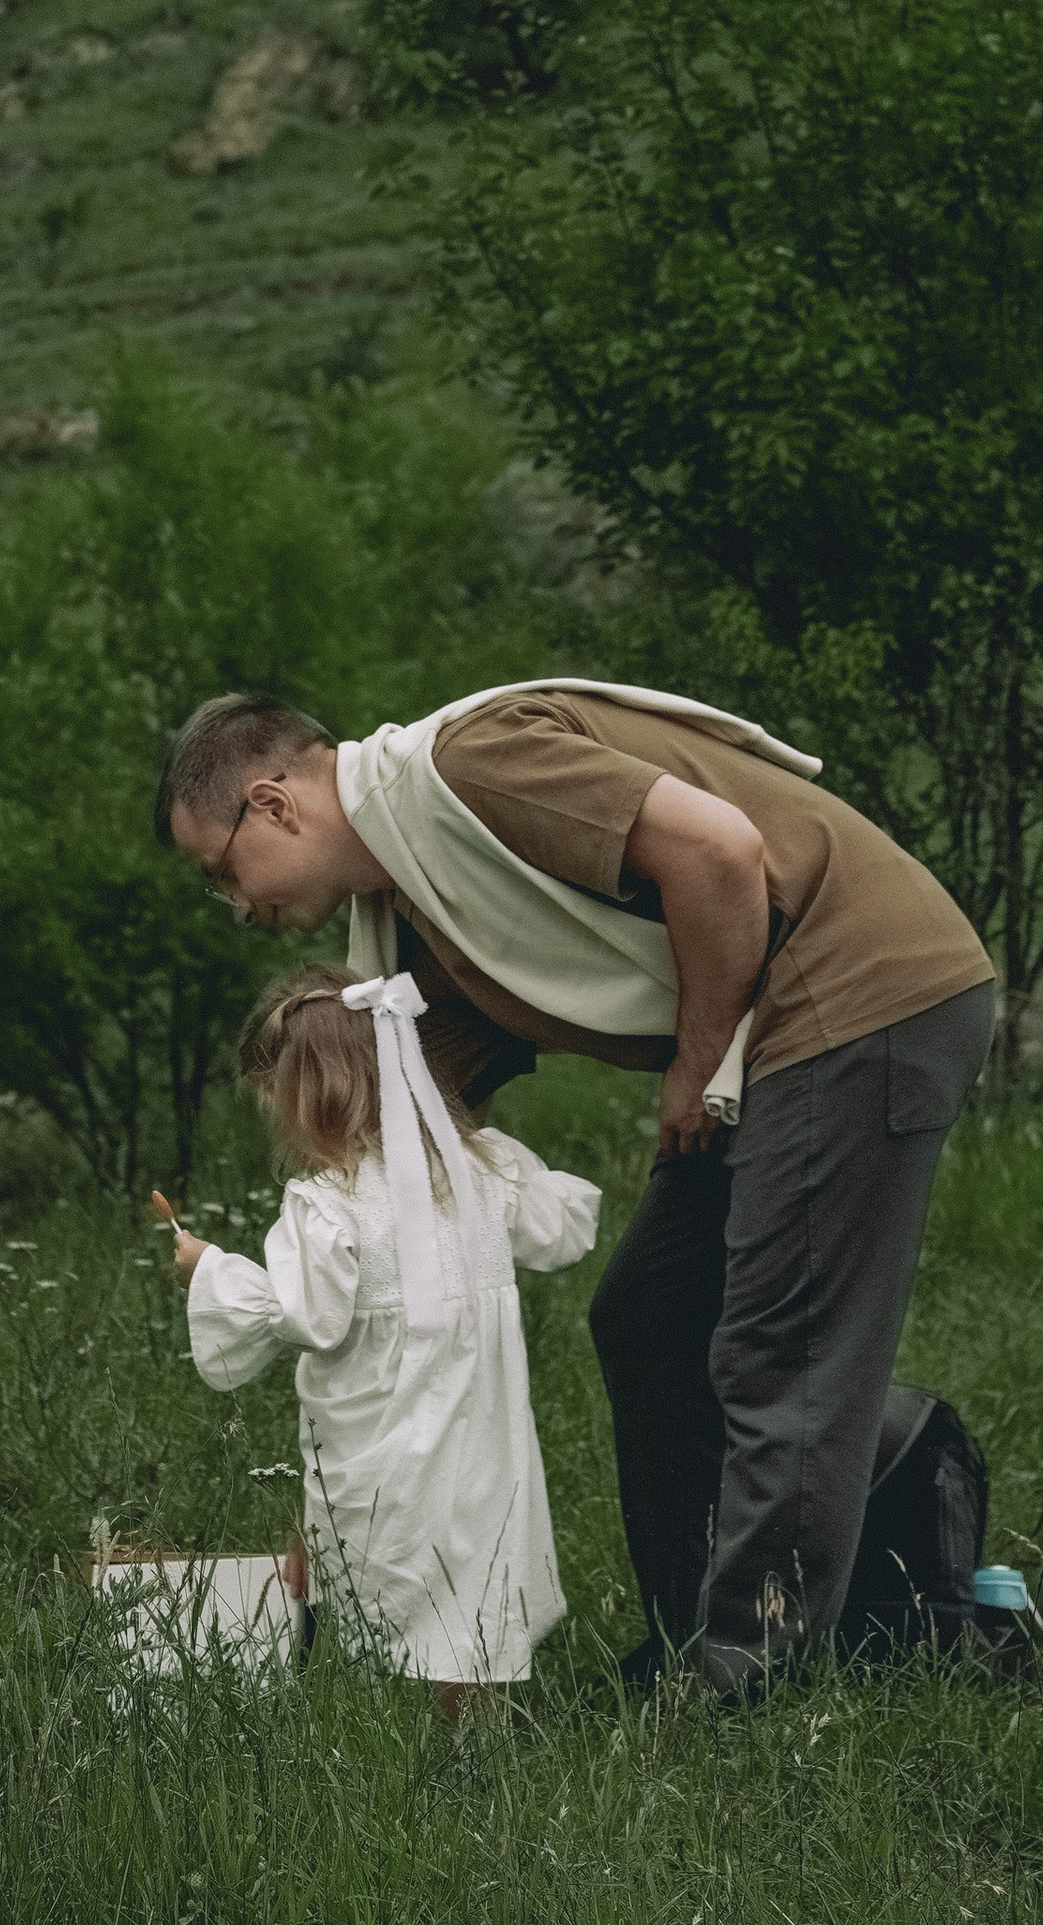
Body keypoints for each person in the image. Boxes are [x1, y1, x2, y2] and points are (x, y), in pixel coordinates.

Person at [154, 680, 995, 1698]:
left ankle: (745, 1672)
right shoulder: (412, 900)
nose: (237, 908)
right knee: (647, 1317)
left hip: (856, 994)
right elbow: (414, 1104)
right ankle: (730, 1610)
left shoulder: (470, 768)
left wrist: (693, 1067)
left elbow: (717, 854)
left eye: (222, 872)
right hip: (764, 1036)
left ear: (274, 803)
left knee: (784, 1345)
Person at [159, 963, 600, 1707]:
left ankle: (411, 1747)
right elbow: (561, 1234)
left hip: (388, 1439)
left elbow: (302, 1313)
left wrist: (209, 1269)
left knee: (391, 1563)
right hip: (480, 1438)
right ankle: (468, 1734)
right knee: (470, 1572)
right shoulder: (481, 1171)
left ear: (305, 1095)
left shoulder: (329, 1205)